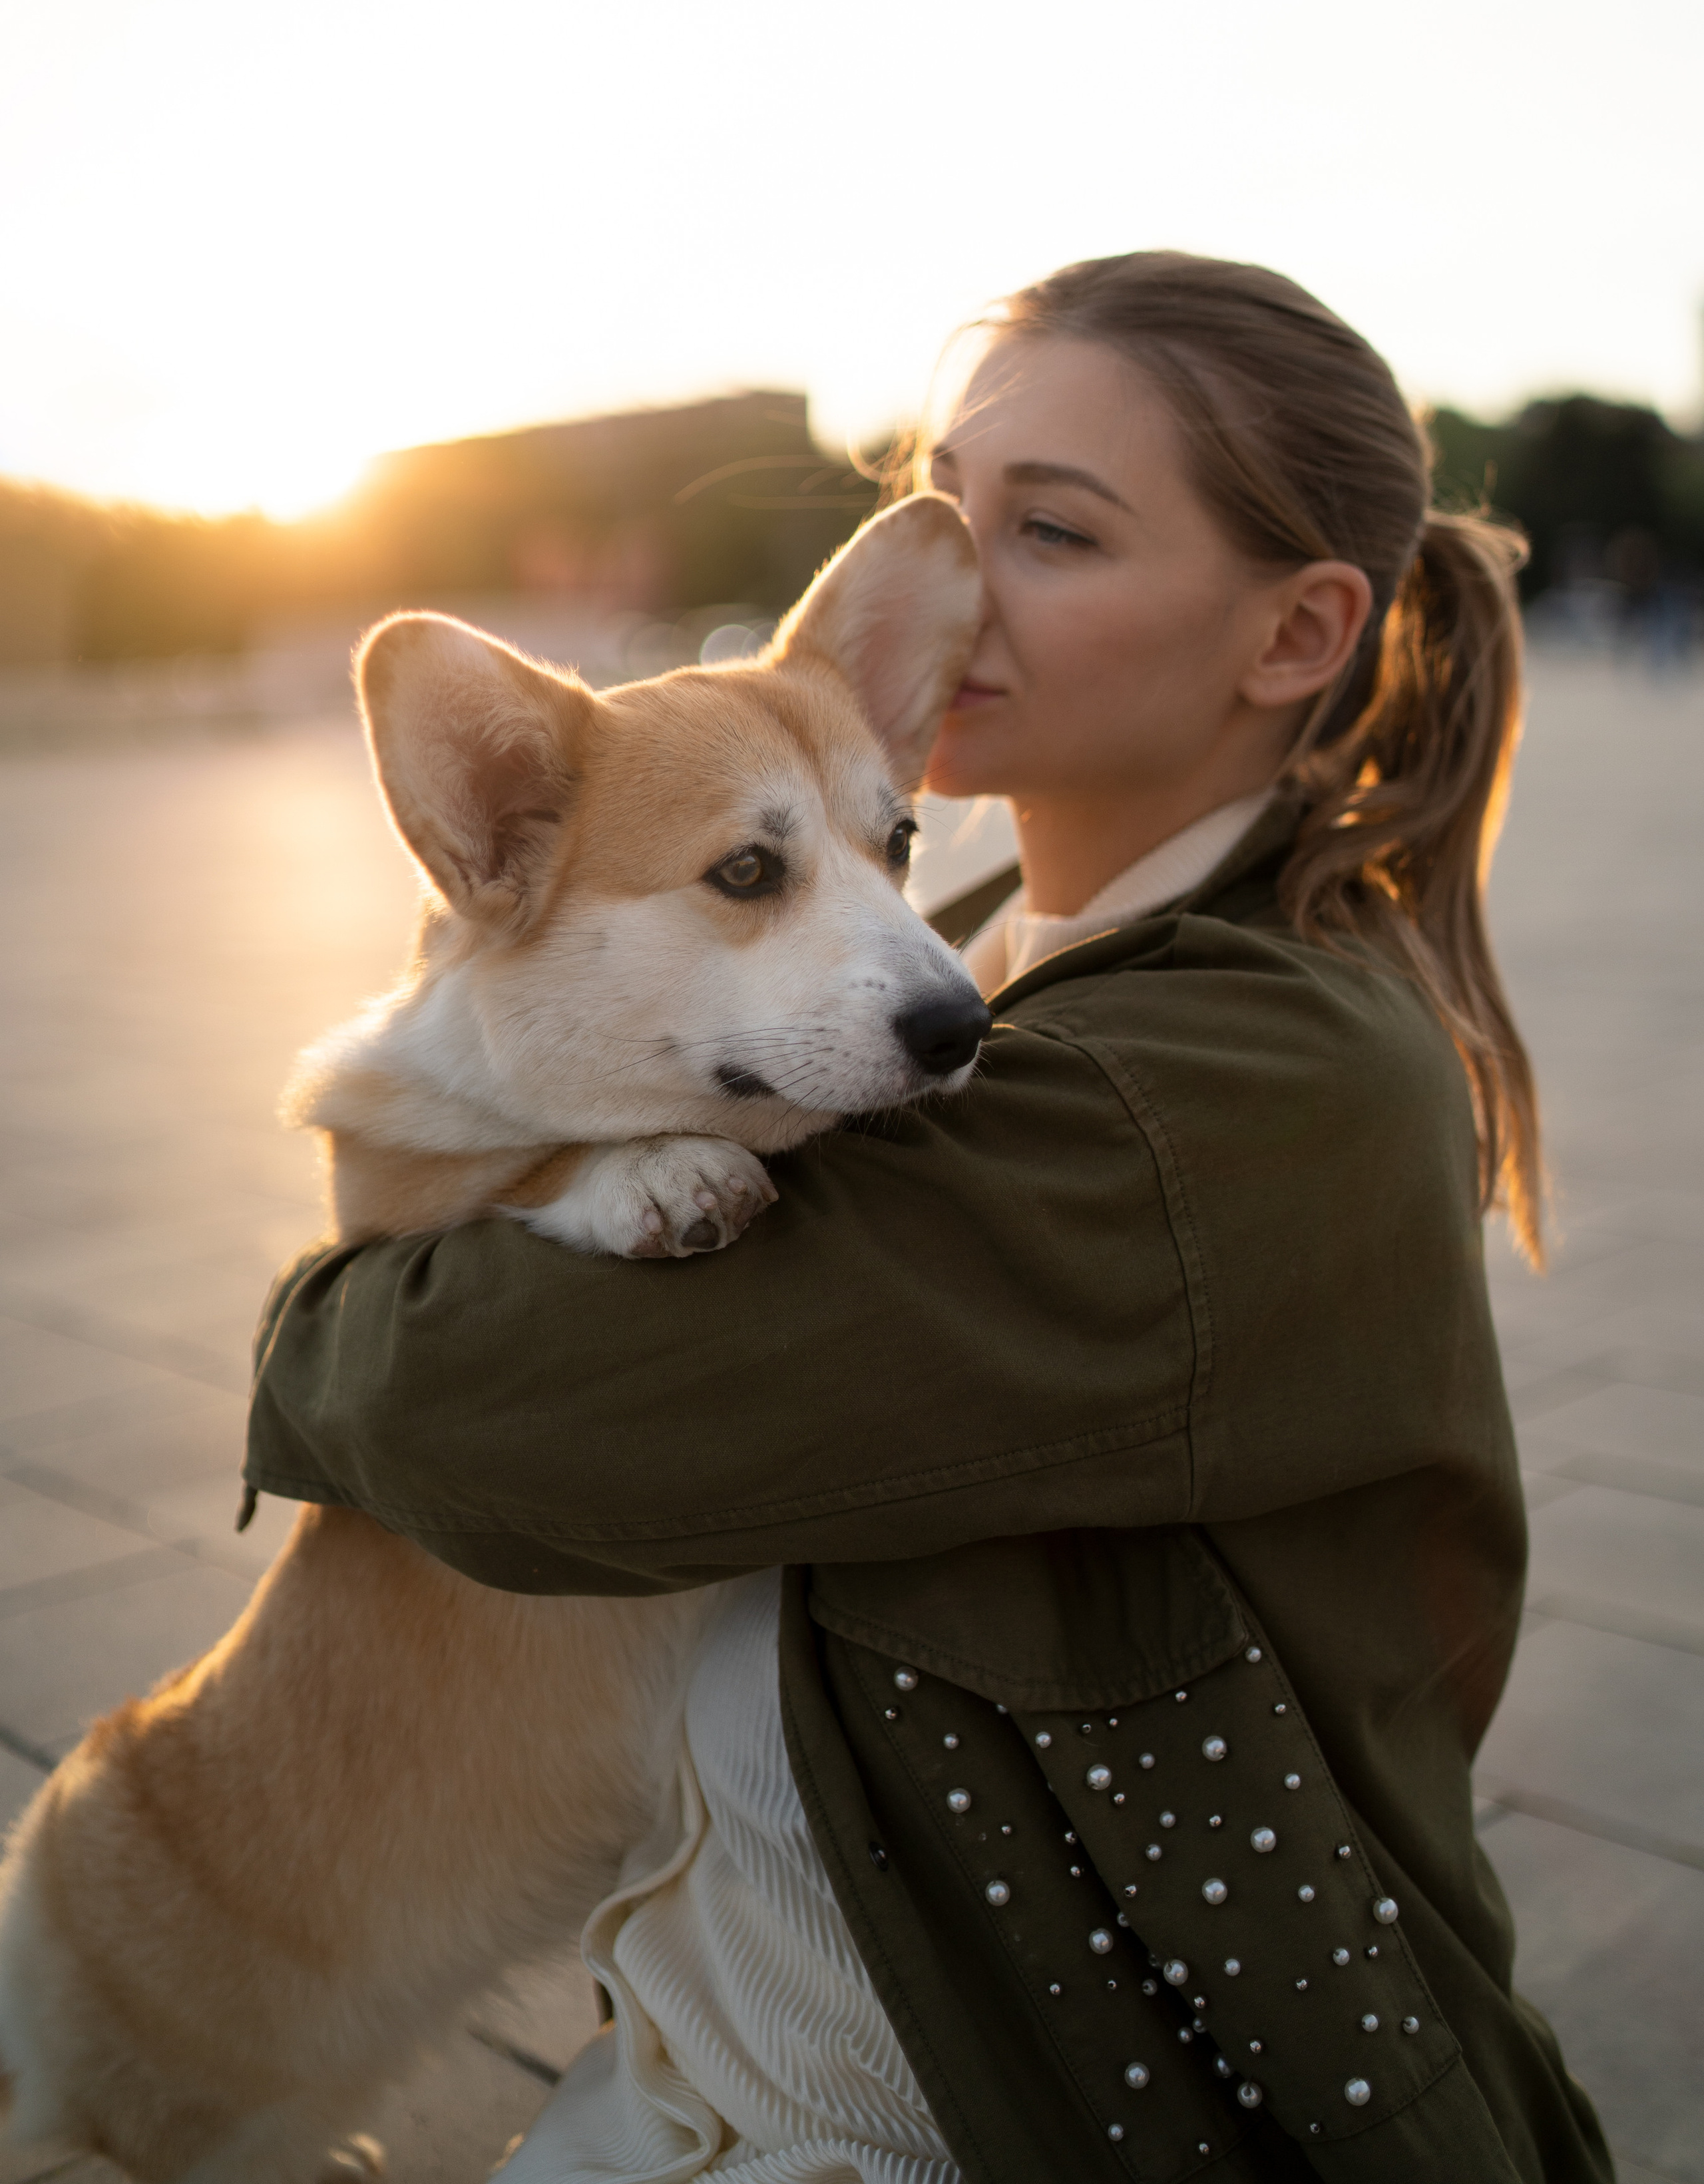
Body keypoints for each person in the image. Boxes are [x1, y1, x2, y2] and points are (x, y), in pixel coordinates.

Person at [246, 253, 1610, 2183]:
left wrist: (326, 1308)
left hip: (975, 2108)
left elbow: (460, 1406)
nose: (949, 580)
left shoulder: (1204, 1092)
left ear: (1297, 633)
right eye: (943, 501)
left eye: (1048, 532)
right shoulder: (983, 957)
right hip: (733, 2047)